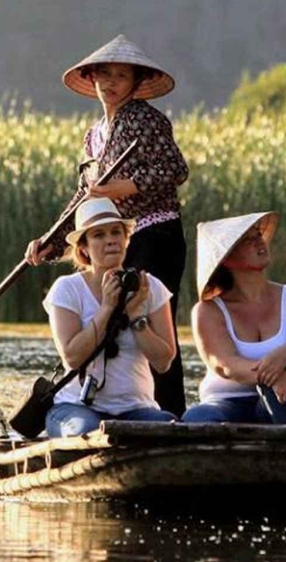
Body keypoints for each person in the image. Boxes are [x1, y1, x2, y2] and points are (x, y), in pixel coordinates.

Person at [25, 35, 191, 415]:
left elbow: (175, 170)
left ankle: (169, 415)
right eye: (105, 75)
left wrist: (126, 187)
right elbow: (85, 198)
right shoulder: (94, 135)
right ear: (92, 79)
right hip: (111, 235)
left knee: (149, 317)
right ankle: (105, 406)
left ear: (135, 82)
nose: (112, 83)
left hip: (153, 232)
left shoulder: (146, 119)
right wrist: (50, 241)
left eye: (121, 76)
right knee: (114, 322)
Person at [42, 197, 178, 437]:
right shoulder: (67, 289)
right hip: (76, 408)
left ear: (126, 239)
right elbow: (72, 358)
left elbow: (164, 361)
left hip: (137, 408)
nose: (110, 240)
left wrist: (136, 314)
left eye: (116, 232)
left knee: (169, 425)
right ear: (83, 247)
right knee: (91, 433)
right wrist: (106, 308)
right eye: (99, 235)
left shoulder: (150, 287)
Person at [182, 211, 286, 424]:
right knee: (197, 418)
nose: (260, 242)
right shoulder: (207, 311)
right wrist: (273, 377)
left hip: (281, 401)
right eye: (248, 240)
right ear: (227, 258)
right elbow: (226, 364)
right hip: (227, 403)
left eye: (258, 234)